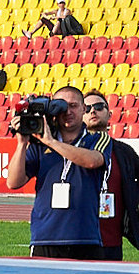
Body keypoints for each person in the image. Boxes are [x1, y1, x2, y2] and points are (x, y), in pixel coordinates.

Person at [7, 86, 110, 259]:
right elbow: (13, 182)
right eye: (61, 106)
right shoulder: (40, 143)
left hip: (84, 238)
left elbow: (92, 161)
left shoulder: (97, 138)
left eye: (73, 105)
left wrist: (52, 142)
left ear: (84, 109)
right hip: (45, 237)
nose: (67, 111)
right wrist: (22, 143)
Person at [83, 90, 139, 260]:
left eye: (98, 107)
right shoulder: (72, 148)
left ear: (109, 114)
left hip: (111, 241)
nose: (92, 111)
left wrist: (130, 198)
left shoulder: (122, 151)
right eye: (87, 108)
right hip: (77, 239)